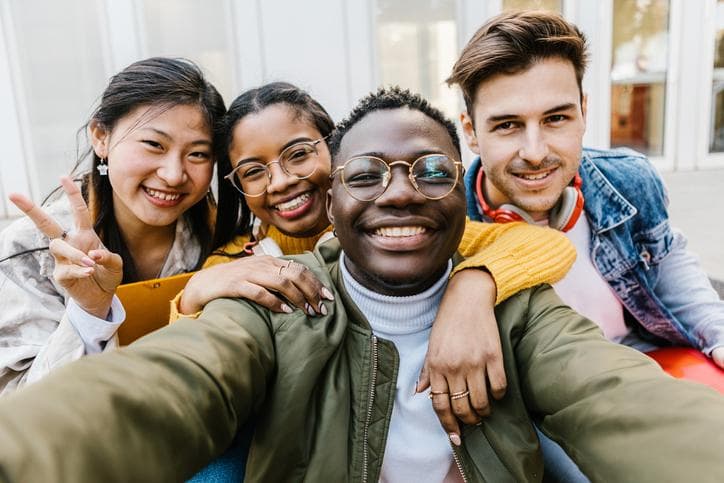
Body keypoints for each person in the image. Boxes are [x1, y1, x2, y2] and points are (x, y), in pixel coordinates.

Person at [1, 87, 724, 483]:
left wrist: (474, 287)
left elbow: (618, 397)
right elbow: (171, 385)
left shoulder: (507, 289)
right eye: (370, 174)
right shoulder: (267, 286)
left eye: (433, 172)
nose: (400, 193)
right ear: (339, 194)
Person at [446, 10, 724, 481]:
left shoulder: (626, 180)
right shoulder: (448, 225)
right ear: (470, 132)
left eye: (556, 118)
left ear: (584, 112)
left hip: (646, 353)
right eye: (508, 125)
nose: (535, 152)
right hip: (541, 401)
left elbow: (675, 273)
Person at [0, 57, 225, 394]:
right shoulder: (33, 247)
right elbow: (18, 402)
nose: (174, 174)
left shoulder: (222, 235)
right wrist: (89, 311)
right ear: (101, 137)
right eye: (154, 145)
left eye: (198, 154)